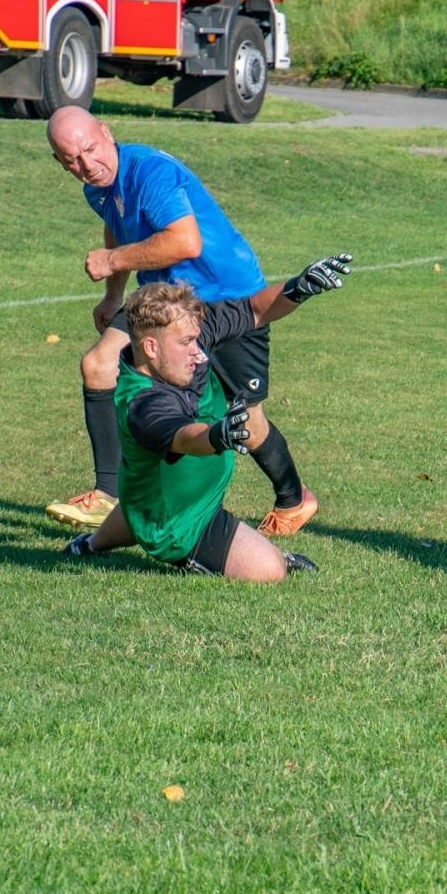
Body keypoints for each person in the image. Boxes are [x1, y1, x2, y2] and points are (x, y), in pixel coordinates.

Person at [44, 107, 320, 539]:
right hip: (166, 302)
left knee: (246, 419)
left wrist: (112, 262)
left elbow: (184, 241)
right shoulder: (97, 187)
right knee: (98, 364)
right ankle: (107, 493)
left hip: (225, 298)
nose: (85, 165)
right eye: (71, 160)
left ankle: (293, 497)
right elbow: (118, 229)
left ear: (106, 132)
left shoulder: (149, 172)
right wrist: (114, 293)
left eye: (90, 150)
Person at [63, 267, 349, 581]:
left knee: (143, 502)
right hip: (183, 521)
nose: (198, 353)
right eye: (186, 343)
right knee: (271, 570)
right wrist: (218, 435)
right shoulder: (144, 404)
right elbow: (185, 438)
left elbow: (254, 310)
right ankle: (183, 554)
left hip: (152, 498)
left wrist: (298, 288)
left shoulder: (180, 343)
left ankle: (91, 544)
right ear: (151, 348)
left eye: (196, 339)